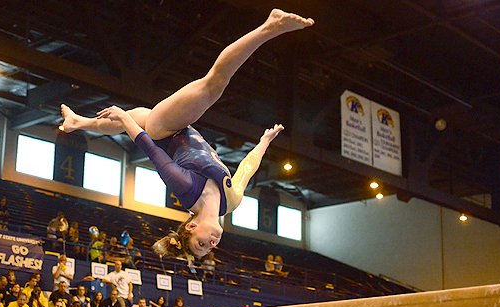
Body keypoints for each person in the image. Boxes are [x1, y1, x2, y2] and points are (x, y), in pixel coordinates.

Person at [62, 9, 312, 264]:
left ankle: (270, 26)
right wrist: (264, 142)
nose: (211, 243)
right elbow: (246, 169)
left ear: (191, 228)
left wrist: (125, 119)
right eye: (209, 248)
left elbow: (152, 151)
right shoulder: (231, 202)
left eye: (201, 243)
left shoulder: (186, 189)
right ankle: (78, 122)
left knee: (213, 84)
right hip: (174, 127)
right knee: (142, 114)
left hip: (165, 129)